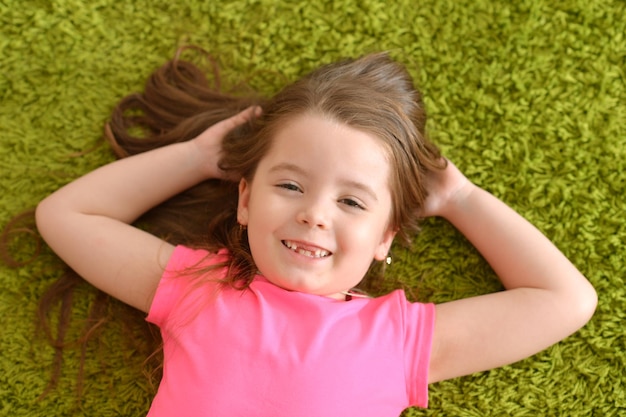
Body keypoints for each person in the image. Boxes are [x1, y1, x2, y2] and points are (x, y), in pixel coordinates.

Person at [34, 50, 597, 416]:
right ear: (247, 199)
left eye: (352, 200)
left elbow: (566, 300)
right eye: (291, 186)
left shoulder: (397, 340)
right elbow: (67, 217)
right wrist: (196, 158)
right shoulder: (197, 291)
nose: (315, 215)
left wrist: (461, 200)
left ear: (385, 238)